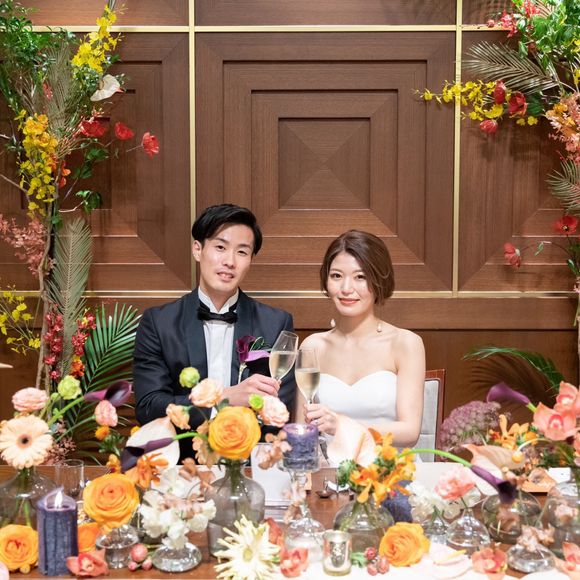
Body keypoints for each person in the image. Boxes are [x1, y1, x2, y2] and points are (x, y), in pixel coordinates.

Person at [133, 204, 296, 459]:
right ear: (197, 249)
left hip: (249, 465)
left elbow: (280, 411)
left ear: (251, 260)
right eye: (220, 247)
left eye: (242, 252)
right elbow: (149, 407)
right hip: (181, 466)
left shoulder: (275, 323)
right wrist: (225, 398)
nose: (230, 261)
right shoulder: (159, 323)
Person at [298, 230, 425, 450]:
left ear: (379, 280)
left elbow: (410, 431)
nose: (346, 289)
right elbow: (301, 429)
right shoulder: (313, 347)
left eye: (360, 277)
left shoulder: (405, 343)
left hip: (389, 467)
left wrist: (342, 425)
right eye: (336, 276)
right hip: (329, 468)